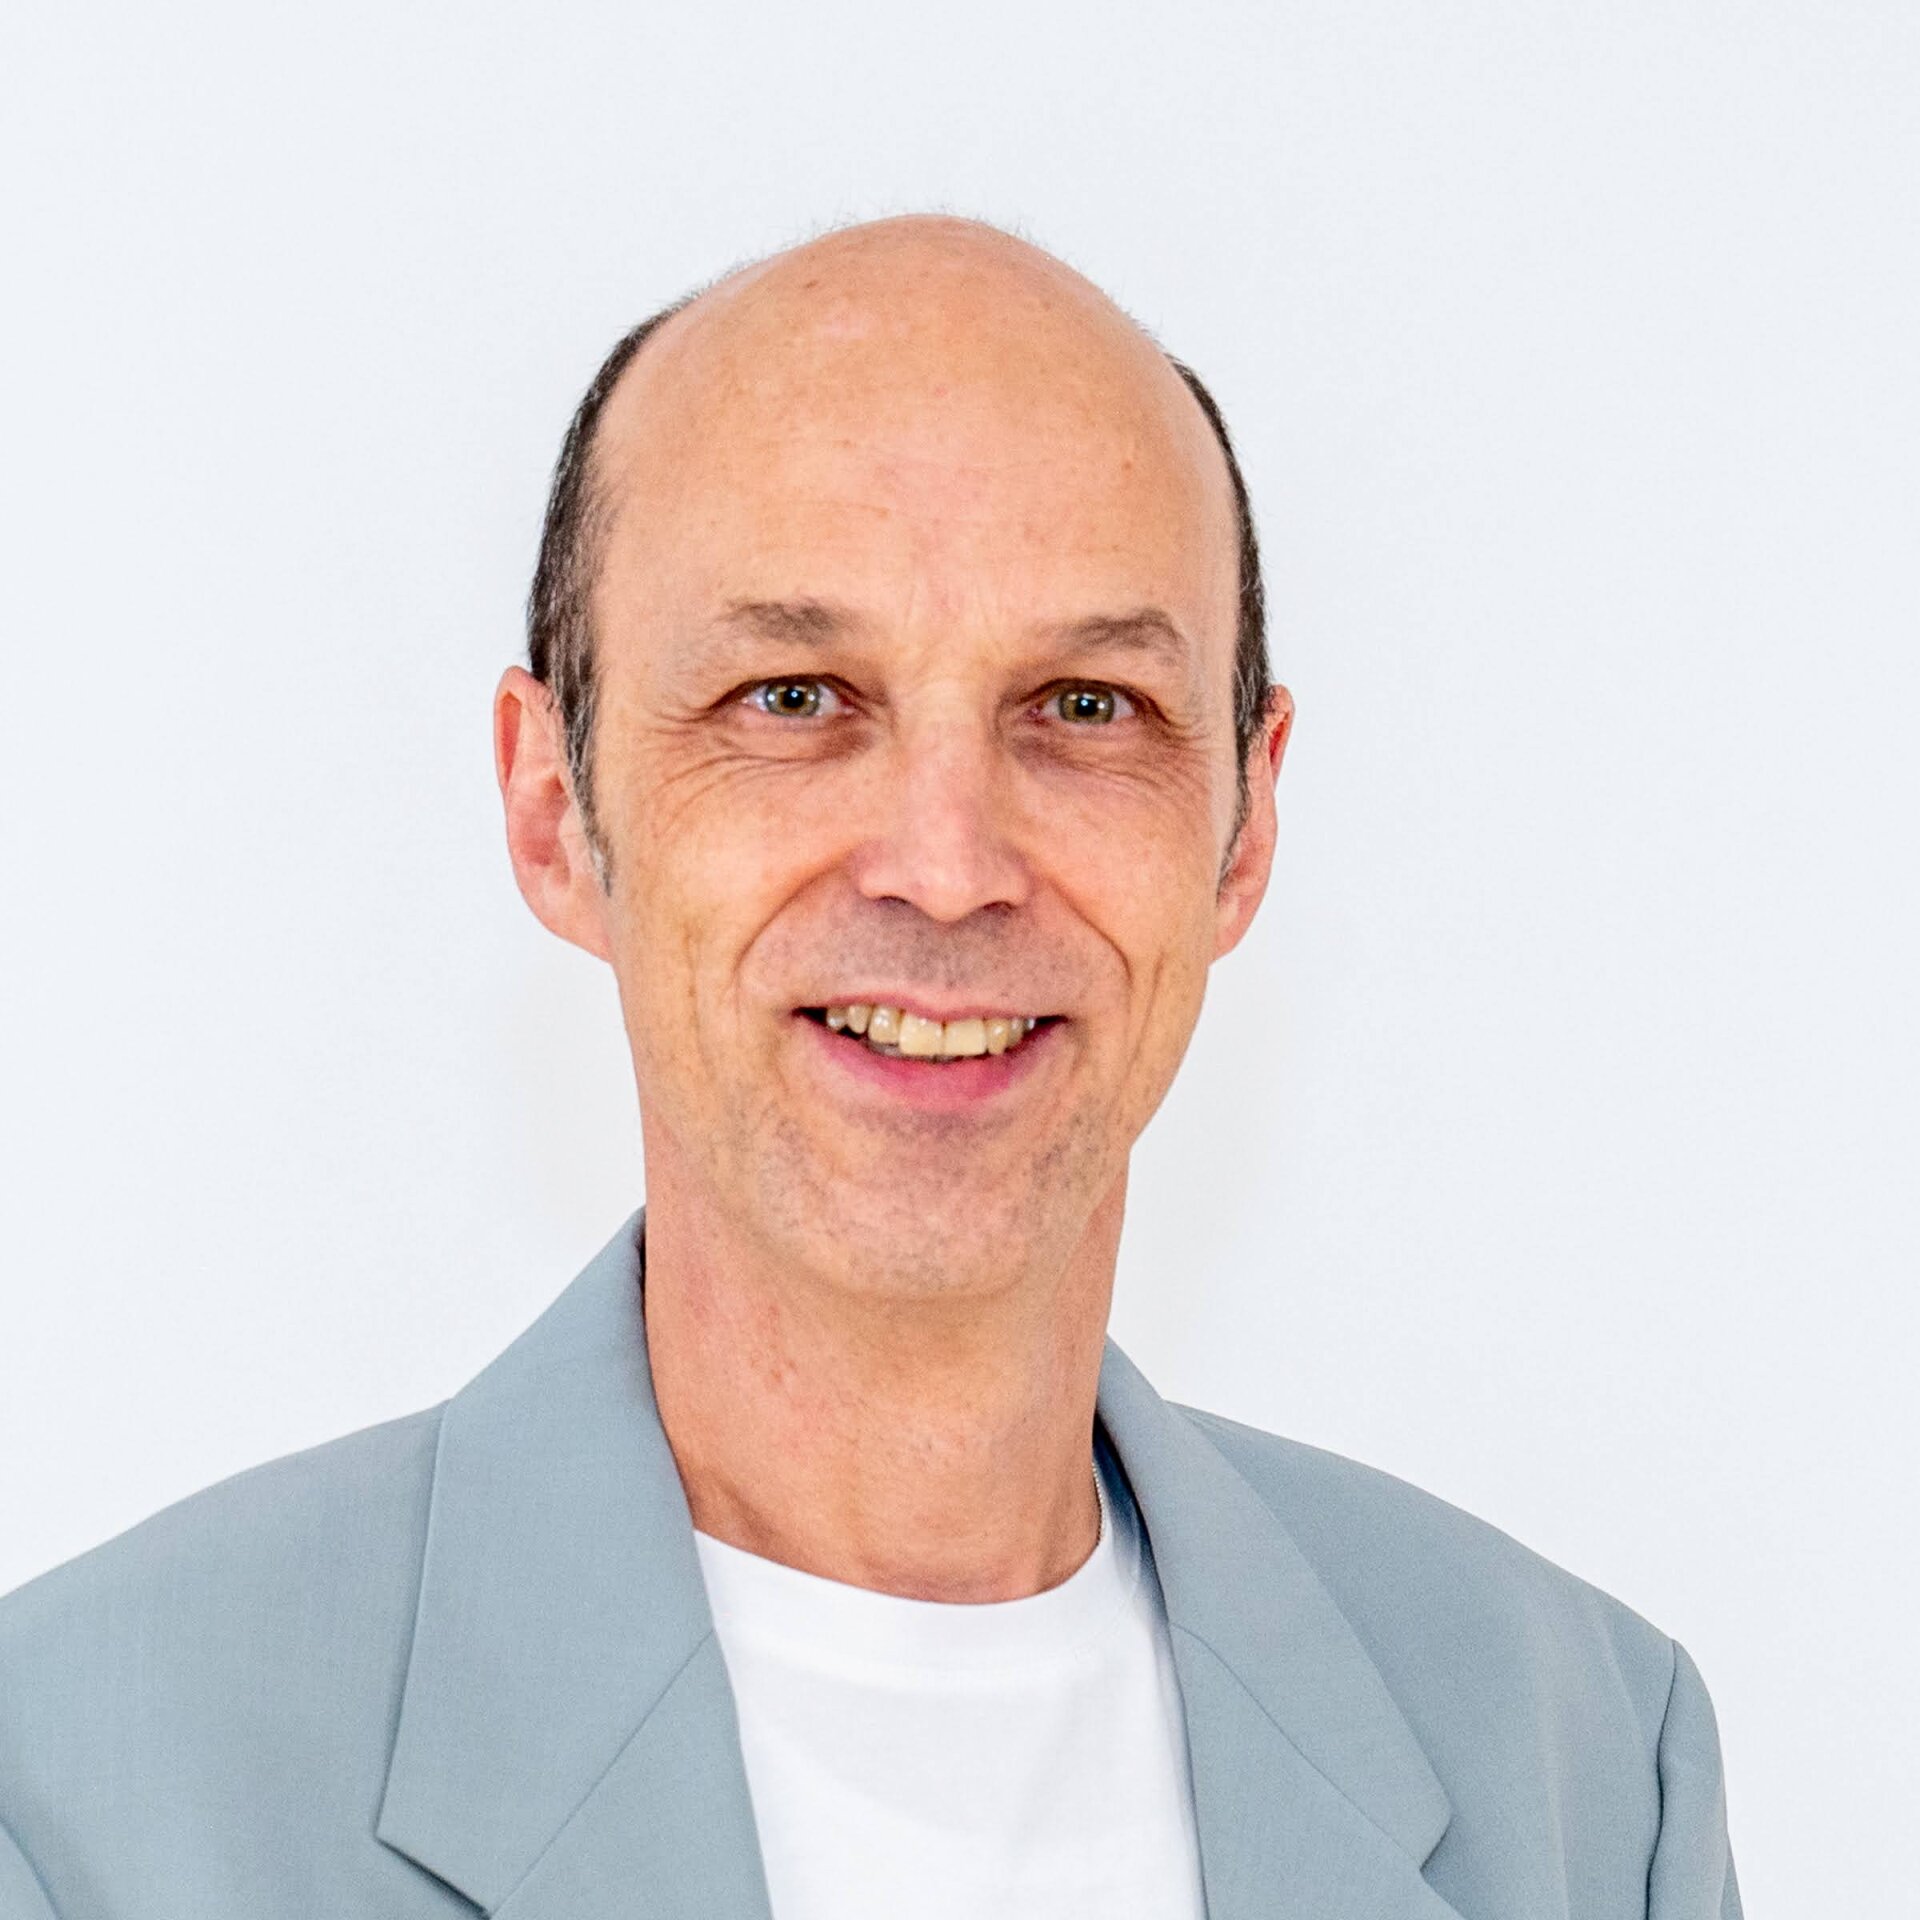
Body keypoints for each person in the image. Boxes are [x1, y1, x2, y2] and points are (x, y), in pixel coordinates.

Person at [0, 215, 1742, 1919]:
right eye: (793, 696)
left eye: (1086, 706)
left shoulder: (1587, 1773)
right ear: (554, 810)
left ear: (1245, 825)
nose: (948, 864)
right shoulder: (74, 1797)